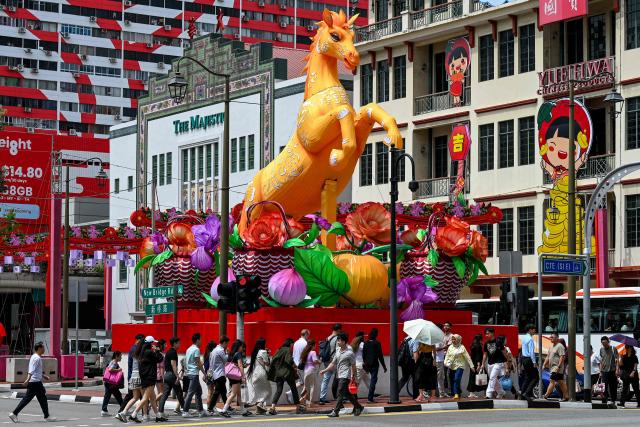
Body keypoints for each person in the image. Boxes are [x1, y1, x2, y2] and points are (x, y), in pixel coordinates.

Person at [9, 342, 55, 423]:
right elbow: (32, 370)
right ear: (39, 348)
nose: (44, 349)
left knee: (40, 399)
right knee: (33, 399)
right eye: (43, 348)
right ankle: (14, 413)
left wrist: (43, 376)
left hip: (35, 382)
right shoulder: (37, 358)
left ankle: (46, 415)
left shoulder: (34, 356)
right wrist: (27, 380)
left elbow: (36, 370)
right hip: (35, 383)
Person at [320, 333, 364, 418]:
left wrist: (354, 377)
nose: (337, 342)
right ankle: (358, 406)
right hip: (338, 374)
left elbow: (353, 366)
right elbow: (333, 363)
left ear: (344, 342)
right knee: (346, 393)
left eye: (339, 340)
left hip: (345, 375)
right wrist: (325, 370)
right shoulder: (338, 350)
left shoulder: (349, 353)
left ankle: (336, 411)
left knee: (340, 392)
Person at [131, 337, 166, 422]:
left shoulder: (142, 352)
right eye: (152, 343)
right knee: (145, 398)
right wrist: (157, 350)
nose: (153, 345)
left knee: (153, 398)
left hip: (145, 377)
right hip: (150, 378)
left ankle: (158, 416)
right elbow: (160, 358)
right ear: (150, 343)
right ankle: (133, 414)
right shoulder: (149, 352)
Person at [268, 338, 306, 415]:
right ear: (290, 343)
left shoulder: (279, 350)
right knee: (293, 388)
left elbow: (273, 360)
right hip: (287, 373)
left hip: (278, 373)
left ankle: (272, 407)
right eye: (292, 344)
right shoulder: (288, 350)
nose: (293, 345)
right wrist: (295, 366)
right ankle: (298, 407)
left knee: (279, 390)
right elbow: (289, 360)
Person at [220, 340, 251, 417]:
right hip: (236, 376)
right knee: (233, 394)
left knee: (239, 394)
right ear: (238, 347)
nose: (242, 348)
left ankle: (243, 410)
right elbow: (240, 365)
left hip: (231, 375)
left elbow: (235, 364)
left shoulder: (231, 354)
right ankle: (224, 410)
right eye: (241, 346)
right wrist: (243, 376)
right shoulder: (238, 354)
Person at [117, 340, 144, 422]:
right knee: (144, 397)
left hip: (133, 376)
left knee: (135, 397)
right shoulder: (142, 354)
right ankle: (136, 414)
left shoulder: (135, 353)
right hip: (139, 377)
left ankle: (123, 412)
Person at [159, 337, 184, 418]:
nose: (180, 344)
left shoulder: (168, 352)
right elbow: (173, 365)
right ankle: (185, 410)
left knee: (165, 394)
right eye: (179, 343)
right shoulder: (173, 352)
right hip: (171, 375)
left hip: (167, 375)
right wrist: (177, 376)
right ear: (175, 343)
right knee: (179, 393)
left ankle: (160, 412)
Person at [182, 333, 206, 418]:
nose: (201, 341)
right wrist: (204, 373)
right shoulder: (196, 349)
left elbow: (186, 361)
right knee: (190, 393)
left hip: (189, 373)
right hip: (194, 373)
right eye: (201, 339)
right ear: (198, 340)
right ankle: (185, 411)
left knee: (198, 392)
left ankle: (201, 411)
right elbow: (198, 363)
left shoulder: (189, 349)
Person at [444, 334, 474, 400]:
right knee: (452, 380)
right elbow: (447, 356)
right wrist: (445, 363)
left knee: (457, 379)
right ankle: (457, 392)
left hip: (460, 366)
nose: (453, 341)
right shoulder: (450, 347)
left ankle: (456, 394)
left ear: (458, 340)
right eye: (452, 339)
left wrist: (471, 366)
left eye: (454, 339)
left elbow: (467, 357)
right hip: (451, 366)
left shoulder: (462, 347)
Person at [482, 328, 509, 399]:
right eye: (486, 334)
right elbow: (485, 354)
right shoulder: (486, 343)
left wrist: (507, 362)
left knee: (492, 377)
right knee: (494, 379)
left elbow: (504, 352)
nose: (486, 335)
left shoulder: (498, 342)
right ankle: (501, 392)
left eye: (488, 333)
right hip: (490, 363)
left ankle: (488, 393)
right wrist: (482, 364)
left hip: (498, 363)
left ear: (493, 333)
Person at [247, 338, 272, 415]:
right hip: (262, 372)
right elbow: (267, 363)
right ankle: (260, 403)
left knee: (259, 392)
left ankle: (259, 410)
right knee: (268, 391)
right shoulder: (263, 351)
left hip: (255, 373)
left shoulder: (255, 352)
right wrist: (268, 355)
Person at [362, 328, 387, 403]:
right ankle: (370, 398)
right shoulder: (377, 343)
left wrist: (365, 363)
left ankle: (355, 395)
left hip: (367, 365)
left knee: (363, 380)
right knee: (373, 381)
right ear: (376, 335)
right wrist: (384, 366)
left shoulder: (365, 343)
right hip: (375, 365)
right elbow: (380, 356)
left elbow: (364, 355)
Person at [207, 336, 229, 416]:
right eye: (226, 343)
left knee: (223, 392)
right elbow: (226, 360)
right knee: (217, 392)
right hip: (220, 374)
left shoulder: (213, 351)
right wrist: (227, 352)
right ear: (224, 342)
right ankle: (210, 408)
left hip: (215, 374)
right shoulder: (220, 350)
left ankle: (227, 407)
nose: (227, 345)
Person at [319, 323, 341, 404]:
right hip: (334, 362)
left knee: (326, 379)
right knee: (340, 379)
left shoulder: (328, 338)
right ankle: (339, 396)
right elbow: (338, 351)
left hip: (326, 361)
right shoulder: (337, 338)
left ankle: (322, 398)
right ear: (338, 330)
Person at [542, 332, 567, 401]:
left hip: (556, 367)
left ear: (557, 338)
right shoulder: (551, 346)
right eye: (550, 337)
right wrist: (544, 364)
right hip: (552, 367)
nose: (550, 338)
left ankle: (546, 395)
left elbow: (562, 357)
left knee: (552, 381)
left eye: (552, 337)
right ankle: (566, 396)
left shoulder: (560, 346)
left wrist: (558, 367)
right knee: (561, 382)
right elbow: (548, 356)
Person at [299, 339, 321, 407]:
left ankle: (304, 399)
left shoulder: (304, 352)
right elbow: (314, 361)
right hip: (311, 370)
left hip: (305, 371)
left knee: (307, 387)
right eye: (315, 345)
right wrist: (319, 361)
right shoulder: (313, 352)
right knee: (312, 387)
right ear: (313, 345)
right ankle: (310, 402)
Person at [102, 351, 124, 417]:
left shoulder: (113, 362)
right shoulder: (114, 362)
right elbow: (110, 370)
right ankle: (123, 410)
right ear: (116, 356)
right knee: (118, 396)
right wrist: (118, 370)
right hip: (111, 383)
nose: (121, 358)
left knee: (108, 396)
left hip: (108, 382)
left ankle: (104, 410)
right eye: (120, 356)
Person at [599, 336, 619, 404]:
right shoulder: (601, 349)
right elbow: (601, 360)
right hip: (604, 371)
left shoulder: (613, 349)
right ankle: (604, 400)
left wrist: (617, 369)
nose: (604, 344)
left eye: (605, 342)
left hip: (612, 370)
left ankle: (613, 400)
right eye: (602, 343)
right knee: (604, 387)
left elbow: (617, 360)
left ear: (608, 342)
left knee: (613, 386)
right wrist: (600, 371)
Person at [290, 329, 309, 403]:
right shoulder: (305, 343)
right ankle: (303, 399)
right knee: (306, 383)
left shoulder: (296, 343)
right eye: (308, 335)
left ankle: (290, 393)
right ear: (306, 334)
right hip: (302, 365)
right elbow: (305, 355)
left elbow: (294, 354)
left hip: (296, 364)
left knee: (302, 382)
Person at [520, 325, 538, 399]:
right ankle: (527, 393)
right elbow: (531, 352)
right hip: (529, 359)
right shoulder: (530, 339)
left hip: (524, 359)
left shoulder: (524, 338)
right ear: (530, 330)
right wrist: (534, 362)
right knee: (536, 377)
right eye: (534, 330)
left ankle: (522, 394)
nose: (535, 331)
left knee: (527, 377)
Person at [435, 322, 452, 398]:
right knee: (441, 377)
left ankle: (441, 392)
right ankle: (441, 393)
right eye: (443, 327)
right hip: (439, 359)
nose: (444, 328)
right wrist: (444, 347)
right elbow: (436, 348)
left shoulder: (449, 336)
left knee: (441, 376)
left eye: (447, 326)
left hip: (441, 358)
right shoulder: (438, 337)